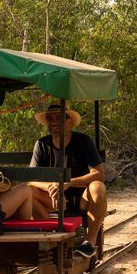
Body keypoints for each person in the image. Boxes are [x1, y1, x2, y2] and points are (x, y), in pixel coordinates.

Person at [29, 102, 107, 259]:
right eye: (51, 119)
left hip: (81, 198)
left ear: (69, 121)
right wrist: (51, 187)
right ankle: (51, 236)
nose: (54, 123)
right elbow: (31, 178)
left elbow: (99, 174)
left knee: (98, 188)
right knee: (27, 192)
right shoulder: (42, 144)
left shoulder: (83, 141)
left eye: (59, 118)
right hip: (53, 199)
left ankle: (89, 242)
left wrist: (68, 183)